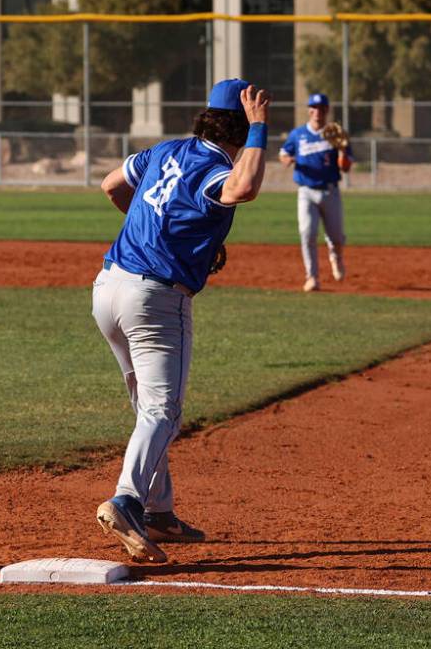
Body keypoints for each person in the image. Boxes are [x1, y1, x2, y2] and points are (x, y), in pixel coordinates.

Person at [92, 78, 271, 563]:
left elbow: (111, 185)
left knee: (147, 406)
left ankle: (159, 511)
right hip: (154, 300)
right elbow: (245, 187)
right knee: (162, 412)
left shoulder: (168, 150)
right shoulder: (216, 166)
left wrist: (157, 233)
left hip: (108, 287)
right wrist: (259, 128)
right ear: (237, 124)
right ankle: (127, 500)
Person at [279, 93, 353, 292]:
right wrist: (288, 160)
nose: (317, 112)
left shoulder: (335, 134)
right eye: (314, 107)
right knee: (308, 234)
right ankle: (312, 277)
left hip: (330, 192)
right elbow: (284, 153)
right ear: (309, 110)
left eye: (321, 108)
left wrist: (343, 150)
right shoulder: (298, 134)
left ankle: (335, 255)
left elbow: (345, 168)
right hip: (306, 192)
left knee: (336, 237)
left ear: (327, 110)